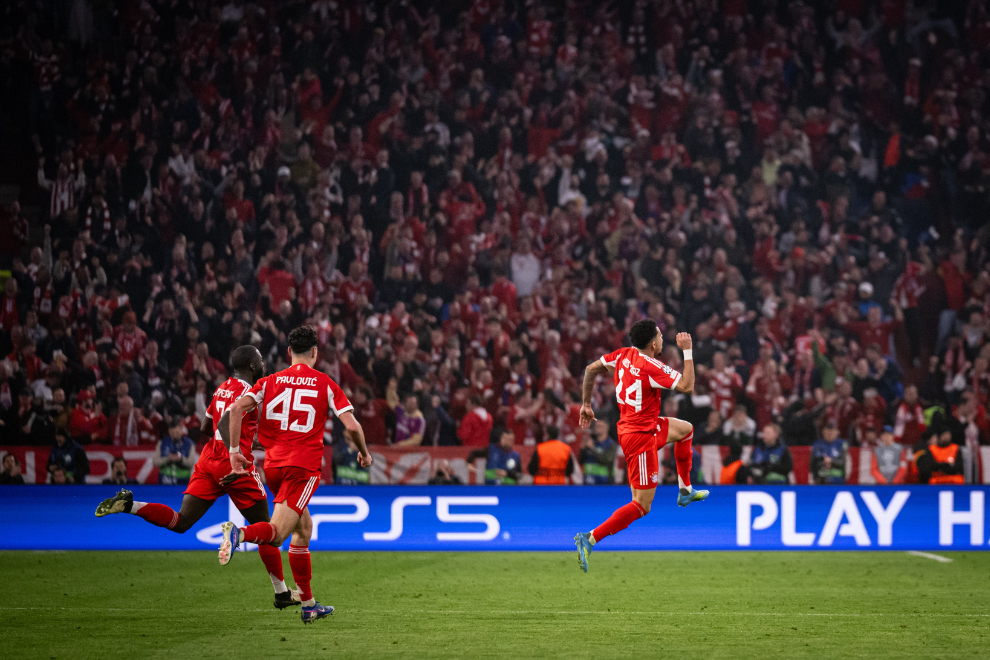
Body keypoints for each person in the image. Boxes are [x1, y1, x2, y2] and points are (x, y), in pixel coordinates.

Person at [96, 345, 299, 610]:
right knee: (268, 530)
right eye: (260, 359)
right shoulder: (250, 392)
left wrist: (251, 439)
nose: (264, 362)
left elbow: (207, 427)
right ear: (252, 366)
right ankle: (280, 591)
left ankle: (129, 505)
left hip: (208, 462)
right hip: (234, 467)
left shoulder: (222, 388)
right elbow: (226, 424)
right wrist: (236, 454)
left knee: (181, 522)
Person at [219, 326, 372, 624]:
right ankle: (239, 534)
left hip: (274, 467)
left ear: (289, 352)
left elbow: (235, 410)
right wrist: (364, 453)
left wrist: (235, 450)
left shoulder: (268, 382)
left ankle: (309, 604)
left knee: (303, 530)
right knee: (276, 534)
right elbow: (352, 426)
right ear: (315, 352)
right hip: (302, 468)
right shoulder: (325, 383)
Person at [573, 319, 706, 573]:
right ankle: (589, 538)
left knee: (685, 429)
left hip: (642, 425)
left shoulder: (622, 355)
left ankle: (685, 489)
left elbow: (590, 369)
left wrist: (586, 405)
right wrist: (687, 350)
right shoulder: (652, 366)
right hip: (640, 437)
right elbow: (687, 386)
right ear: (653, 342)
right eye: (660, 335)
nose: (663, 339)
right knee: (641, 505)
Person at [152, 417, 198, 485]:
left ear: (181, 429)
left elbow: (191, 462)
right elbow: (155, 462)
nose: (175, 434)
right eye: (173, 432)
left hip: (183, 481)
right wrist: (167, 459)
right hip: (165, 480)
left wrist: (181, 459)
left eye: (177, 432)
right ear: (169, 431)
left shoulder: (190, 444)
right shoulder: (162, 443)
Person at [579, 420, 617, 485]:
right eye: (596, 426)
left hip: (605, 484)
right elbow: (581, 461)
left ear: (607, 427)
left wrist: (593, 448)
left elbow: (607, 459)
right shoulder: (591, 442)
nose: (597, 428)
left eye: (600, 426)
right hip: (588, 483)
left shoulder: (610, 444)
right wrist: (582, 450)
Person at [810, 420, 848, 485]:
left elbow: (843, 462)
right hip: (821, 478)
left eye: (832, 432)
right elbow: (813, 464)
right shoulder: (817, 445)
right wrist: (823, 461)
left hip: (837, 479)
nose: (830, 434)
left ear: (836, 432)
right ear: (823, 432)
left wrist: (831, 461)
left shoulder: (842, 444)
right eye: (827, 432)